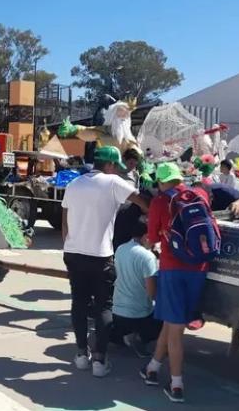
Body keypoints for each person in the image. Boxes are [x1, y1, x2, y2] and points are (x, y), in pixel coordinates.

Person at [62, 146, 148, 378]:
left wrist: (70, 246)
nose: (118, 172)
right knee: (103, 306)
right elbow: (143, 202)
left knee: (79, 303)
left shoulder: (74, 184)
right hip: (100, 255)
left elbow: (65, 222)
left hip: (73, 253)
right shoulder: (113, 183)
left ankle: (81, 355)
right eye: (116, 167)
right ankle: (99, 359)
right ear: (109, 165)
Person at [141, 162, 211, 403]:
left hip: (172, 269)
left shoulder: (160, 202)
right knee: (172, 324)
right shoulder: (199, 195)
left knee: (175, 331)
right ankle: (152, 368)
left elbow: (151, 238)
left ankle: (176, 385)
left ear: (160, 182)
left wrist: (148, 242)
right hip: (199, 269)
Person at [111, 221, 162, 359]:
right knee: (164, 314)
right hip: (138, 315)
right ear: (146, 236)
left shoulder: (120, 249)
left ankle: (124, 336)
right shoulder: (148, 257)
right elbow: (152, 293)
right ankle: (140, 339)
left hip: (117, 312)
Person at [113, 148, 145, 250]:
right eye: (131, 163)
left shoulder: (135, 174)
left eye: (135, 164)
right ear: (123, 160)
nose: (132, 166)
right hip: (116, 212)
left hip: (129, 212)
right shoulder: (114, 172)